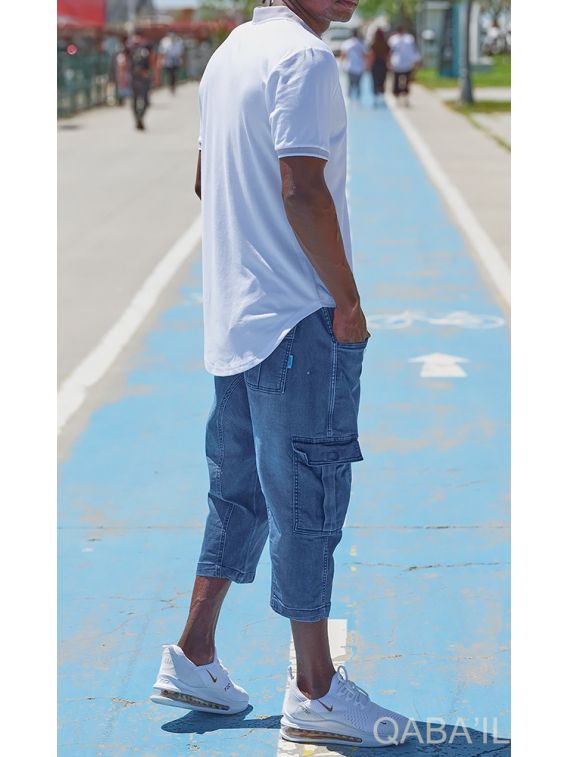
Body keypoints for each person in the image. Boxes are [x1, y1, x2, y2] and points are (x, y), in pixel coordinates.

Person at [150, 0, 409, 748]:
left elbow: (207, 180)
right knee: (308, 495)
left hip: (237, 315)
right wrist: (347, 300)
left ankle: (195, 652)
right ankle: (317, 689)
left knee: (239, 491)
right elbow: (301, 187)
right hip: (297, 316)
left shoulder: (230, 52)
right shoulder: (303, 57)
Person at [388, 24, 421, 104]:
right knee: (396, 82)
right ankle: (397, 97)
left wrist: (416, 60)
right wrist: (389, 62)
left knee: (406, 82)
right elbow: (390, 52)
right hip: (396, 64)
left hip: (406, 64)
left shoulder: (409, 39)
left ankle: (405, 97)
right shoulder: (393, 39)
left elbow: (413, 50)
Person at [127, 32, 153, 130]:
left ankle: (140, 117)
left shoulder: (146, 49)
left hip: (144, 78)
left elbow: (151, 61)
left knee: (145, 102)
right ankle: (138, 118)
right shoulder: (129, 49)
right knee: (134, 101)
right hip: (134, 78)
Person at [340, 28, 366, 100]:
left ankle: (350, 101)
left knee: (349, 86)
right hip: (360, 67)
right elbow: (364, 56)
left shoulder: (347, 43)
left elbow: (343, 56)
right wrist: (366, 66)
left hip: (350, 67)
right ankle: (358, 100)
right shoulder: (361, 43)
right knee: (358, 86)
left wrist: (341, 66)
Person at [369, 27, 390, 106]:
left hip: (376, 64)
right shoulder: (385, 43)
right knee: (382, 80)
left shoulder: (373, 44)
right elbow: (388, 55)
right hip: (383, 63)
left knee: (375, 81)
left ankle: (375, 99)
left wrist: (369, 65)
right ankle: (382, 97)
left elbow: (372, 55)